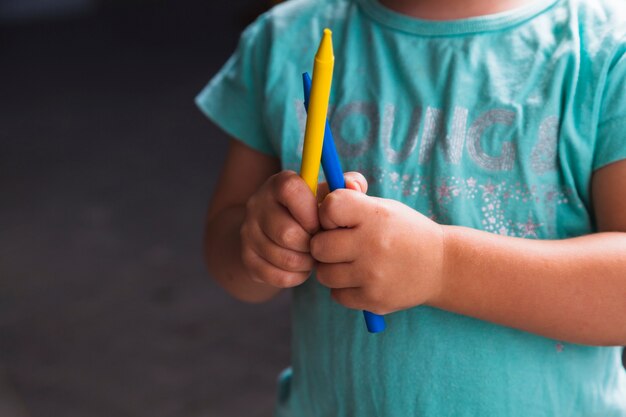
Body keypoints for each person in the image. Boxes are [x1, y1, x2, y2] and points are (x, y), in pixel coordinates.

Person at [196, 0, 626, 415]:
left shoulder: (608, 49)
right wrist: (262, 243)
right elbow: (228, 255)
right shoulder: (284, 38)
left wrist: (442, 266)